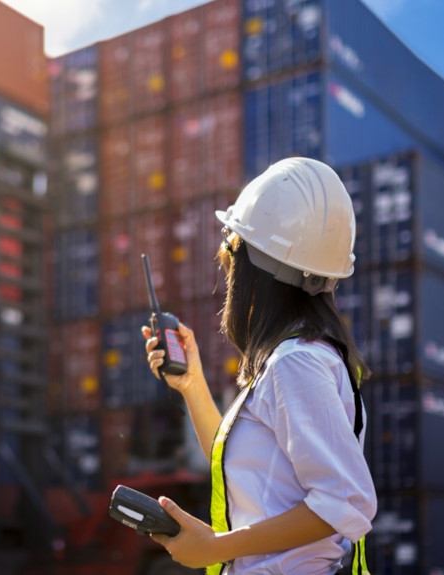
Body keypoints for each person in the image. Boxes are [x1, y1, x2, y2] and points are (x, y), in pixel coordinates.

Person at [141, 157, 377, 575]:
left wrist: (217, 547)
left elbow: (345, 501)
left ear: (252, 269)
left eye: (231, 263)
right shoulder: (307, 356)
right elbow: (256, 476)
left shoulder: (296, 363)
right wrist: (193, 384)